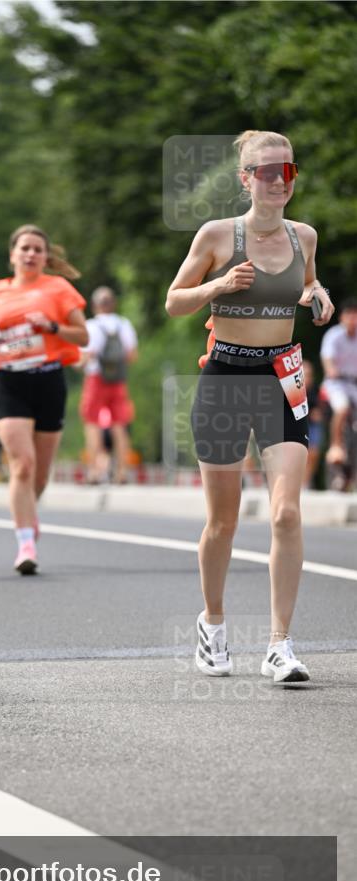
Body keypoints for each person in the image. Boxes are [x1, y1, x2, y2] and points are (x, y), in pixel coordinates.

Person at [166, 129, 334, 683]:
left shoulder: (304, 236)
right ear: (246, 179)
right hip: (225, 380)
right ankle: (213, 624)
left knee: (286, 512)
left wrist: (316, 295)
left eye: (288, 171)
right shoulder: (218, 235)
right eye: (267, 172)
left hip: (281, 379)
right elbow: (174, 302)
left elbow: (306, 283)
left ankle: (280, 645)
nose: (279, 181)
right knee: (224, 522)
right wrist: (217, 287)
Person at [0, 224, 88, 573]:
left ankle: (27, 515)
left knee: (40, 475)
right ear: (13, 255)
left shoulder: (58, 288)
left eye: (38, 249)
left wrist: (52, 328)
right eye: (25, 248)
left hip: (48, 379)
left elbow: (83, 335)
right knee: (22, 463)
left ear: (46, 257)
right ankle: (25, 544)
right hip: (8, 380)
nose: (31, 254)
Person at [80, 286, 138, 484]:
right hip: (118, 380)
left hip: (95, 378)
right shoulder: (124, 324)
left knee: (92, 424)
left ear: (94, 305)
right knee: (120, 425)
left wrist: (78, 364)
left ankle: (95, 471)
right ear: (114, 304)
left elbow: (87, 355)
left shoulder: (91, 326)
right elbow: (132, 355)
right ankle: (122, 472)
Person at [319, 298, 357, 467]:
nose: (353, 319)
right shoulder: (334, 335)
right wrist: (331, 369)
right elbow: (327, 357)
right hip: (336, 384)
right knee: (342, 408)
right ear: (342, 317)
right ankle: (336, 445)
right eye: (350, 315)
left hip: (353, 384)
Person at [302, 359, 324, 488]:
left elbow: (321, 409)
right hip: (298, 424)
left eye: (310, 375)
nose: (308, 378)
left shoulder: (316, 389)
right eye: (305, 375)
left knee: (314, 452)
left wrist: (318, 412)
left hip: (311, 425)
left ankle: (306, 482)